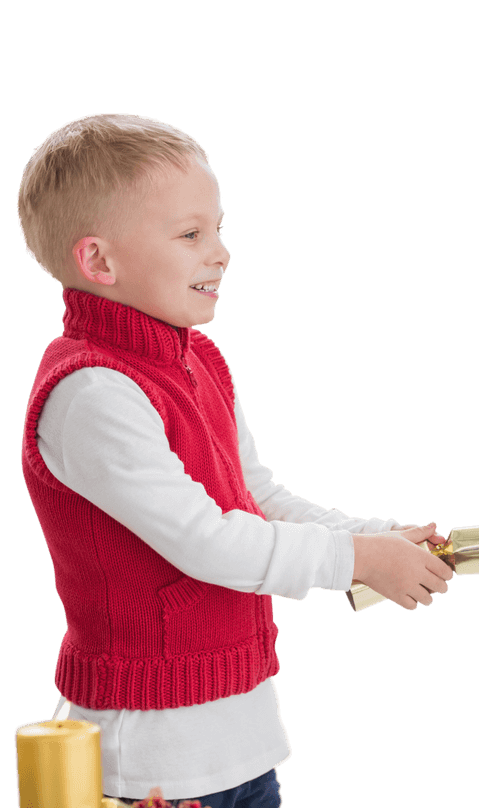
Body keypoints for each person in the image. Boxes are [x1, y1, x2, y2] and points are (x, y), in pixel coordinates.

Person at [18, 113, 454, 807]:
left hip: (241, 739)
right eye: (190, 235)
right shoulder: (91, 393)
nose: (220, 253)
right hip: (152, 762)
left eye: (218, 230)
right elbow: (207, 540)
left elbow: (255, 496)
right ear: (99, 260)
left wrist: (370, 535)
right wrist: (355, 561)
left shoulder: (200, 362)